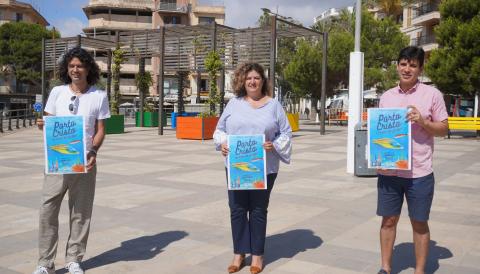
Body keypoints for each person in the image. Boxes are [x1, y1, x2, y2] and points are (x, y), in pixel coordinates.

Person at [33, 47, 110, 274]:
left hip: (84, 162)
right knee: (47, 210)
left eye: (80, 66)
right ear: (67, 69)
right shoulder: (57, 92)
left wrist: (93, 151)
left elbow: (101, 130)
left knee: (81, 212)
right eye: (71, 66)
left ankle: (73, 259)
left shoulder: (99, 95)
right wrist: (42, 125)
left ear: (88, 69)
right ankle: (44, 262)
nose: (75, 70)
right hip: (57, 163)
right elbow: (47, 123)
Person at [376, 46, 448, 274]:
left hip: (419, 173)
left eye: (413, 65)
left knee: (419, 222)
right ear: (397, 65)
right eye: (403, 64)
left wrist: (423, 122)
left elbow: (444, 128)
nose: (407, 69)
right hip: (389, 171)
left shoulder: (432, 95)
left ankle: (419, 270)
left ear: (420, 69)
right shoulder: (386, 97)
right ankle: (385, 268)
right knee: (388, 220)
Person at [213, 62, 292, 274]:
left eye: (256, 77)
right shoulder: (234, 104)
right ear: (243, 81)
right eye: (249, 78)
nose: (252, 81)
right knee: (237, 209)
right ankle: (238, 253)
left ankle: (257, 255)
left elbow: (286, 132)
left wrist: (273, 145)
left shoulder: (274, 105)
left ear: (263, 81)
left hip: (264, 168)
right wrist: (223, 144)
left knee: (258, 210)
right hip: (236, 166)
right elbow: (219, 130)